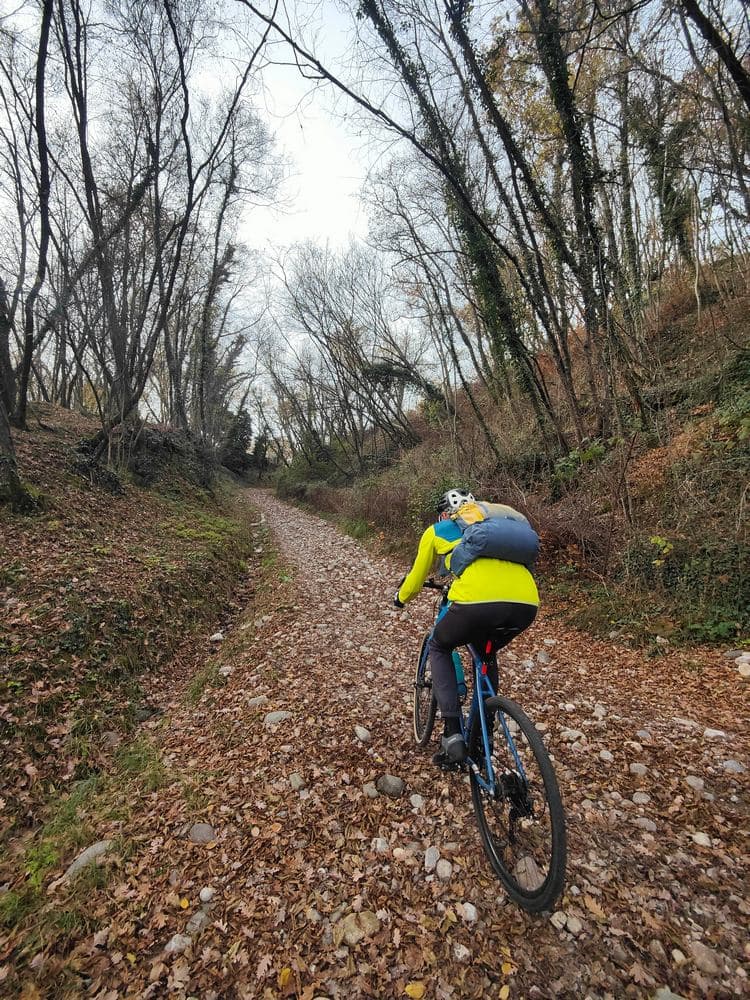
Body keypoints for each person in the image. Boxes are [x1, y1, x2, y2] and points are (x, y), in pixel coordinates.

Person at [394, 488, 539, 768]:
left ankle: (453, 734)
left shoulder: (439, 529)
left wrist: (400, 598)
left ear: (445, 512)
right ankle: (481, 739)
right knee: (486, 655)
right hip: (526, 604)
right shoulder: (498, 533)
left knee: (439, 644)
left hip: (476, 601)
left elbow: (416, 576)